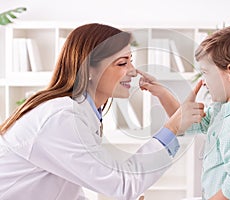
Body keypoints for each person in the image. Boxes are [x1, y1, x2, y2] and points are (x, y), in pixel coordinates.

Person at [0, 23, 206, 200]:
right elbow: (125, 185)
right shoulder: (62, 118)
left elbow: (65, 188)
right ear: (89, 69)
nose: (133, 71)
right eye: (122, 63)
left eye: (131, 61)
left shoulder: (80, 113)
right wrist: (172, 126)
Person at [141, 24, 230, 200]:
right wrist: (162, 92)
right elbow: (187, 124)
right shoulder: (224, 108)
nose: (203, 81)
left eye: (205, 72)